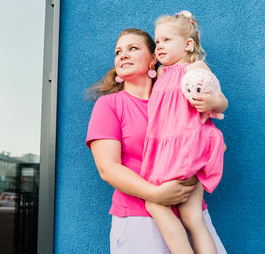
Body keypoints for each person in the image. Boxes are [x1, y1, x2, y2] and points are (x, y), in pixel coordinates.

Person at [86, 28, 226, 253]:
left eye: (133, 48)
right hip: (138, 220)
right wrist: (156, 195)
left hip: (190, 214)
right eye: (118, 51)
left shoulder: (178, 97)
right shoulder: (110, 105)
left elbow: (207, 137)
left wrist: (217, 102)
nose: (123, 55)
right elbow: (108, 168)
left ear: (153, 58)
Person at [140, 11, 228, 254]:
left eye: (167, 41)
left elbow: (221, 100)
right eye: (157, 42)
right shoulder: (160, 73)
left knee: (155, 203)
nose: (159, 47)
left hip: (185, 148)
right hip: (170, 148)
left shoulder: (195, 67)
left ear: (188, 45)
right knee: (192, 217)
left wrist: (214, 103)